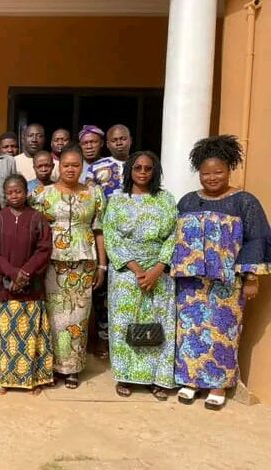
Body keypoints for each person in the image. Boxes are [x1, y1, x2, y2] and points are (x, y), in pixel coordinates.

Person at [171, 135, 271, 411]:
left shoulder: (244, 202)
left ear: (229, 169)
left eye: (218, 172)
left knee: (223, 332)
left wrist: (251, 278)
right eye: (206, 173)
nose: (212, 178)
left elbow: (256, 240)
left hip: (227, 282)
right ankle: (190, 380)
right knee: (189, 331)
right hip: (191, 283)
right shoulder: (188, 201)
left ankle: (218, 384)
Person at [103, 151, 177, 400]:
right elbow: (111, 236)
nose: (143, 172)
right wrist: (137, 270)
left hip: (159, 271)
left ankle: (157, 378)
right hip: (126, 272)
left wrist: (157, 269)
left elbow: (173, 236)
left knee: (159, 323)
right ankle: (125, 376)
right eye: (138, 168)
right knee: (125, 322)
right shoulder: (117, 199)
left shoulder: (166, 199)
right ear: (129, 171)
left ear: (155, 171)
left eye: (148, 168)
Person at [31, 146, 106, 389]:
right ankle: (51, 366)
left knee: (79, 316)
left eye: (76, 165)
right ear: (58, 166)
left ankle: (73, 368)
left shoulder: (94, 194)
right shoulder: (42, 194)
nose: (71, 169)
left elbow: (99, 230)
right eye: (66, 165)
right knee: (54, 317)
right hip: (52, 264)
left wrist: (102, 265)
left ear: (82, 167)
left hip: (83, 263)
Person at [0, 174, 53, 394]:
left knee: (30, 335)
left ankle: (33, 380)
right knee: (4, 337)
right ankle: (4, 379)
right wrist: (13, 273)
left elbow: (44, 250)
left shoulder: (37, 218)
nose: (14, 195)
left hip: (31, 287)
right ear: (5, 194)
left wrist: (25, 274)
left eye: (19, 191)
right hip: (2, 286)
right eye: (10, 192)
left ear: (26, 192)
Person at [85, 124, 132, 358]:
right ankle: (103, 338)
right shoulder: (96, 168)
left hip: (133, 239)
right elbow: (89, 202)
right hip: (104, 235)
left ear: (130, 140)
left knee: (129, 290)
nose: (119, 142)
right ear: (108, 143)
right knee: (101, 290)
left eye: (123, 138)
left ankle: (126, 340)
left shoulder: (141, 164)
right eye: (115, 140)